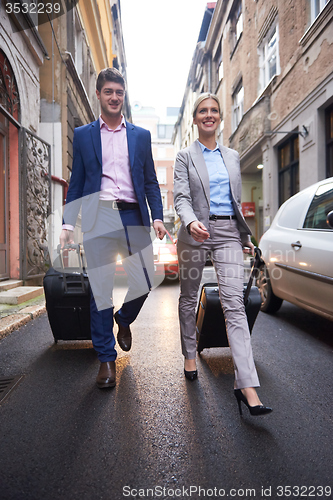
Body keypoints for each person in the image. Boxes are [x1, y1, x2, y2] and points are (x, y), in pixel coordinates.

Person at [59, 68, 166, 389]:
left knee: (145, 280)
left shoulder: (141, 136)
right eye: (108, 92)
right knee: (101, 292)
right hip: (98, 217)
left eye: (119, 92)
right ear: (99, 95)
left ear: (124, 95)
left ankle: (123, 319)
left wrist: (157, 216)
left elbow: (150, 181)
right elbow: (76, 182)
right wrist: (67, 222)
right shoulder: (83, 135)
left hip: (133, 215)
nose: (115, 97)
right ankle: (106, 361)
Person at [173, 93, 272, 416]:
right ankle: (190, 353)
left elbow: (233, 200)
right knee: (189, 297)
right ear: (195, 119)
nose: (209, 115)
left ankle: (246, 386)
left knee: (235, 306)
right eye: (203, 110)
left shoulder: (232, 156)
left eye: (214, 110)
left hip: (228, 232)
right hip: (194, 232)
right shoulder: (185, 156)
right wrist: (190, 222)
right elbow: (181, 197)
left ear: (220, 117)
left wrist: (244, 237)